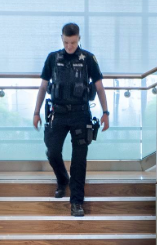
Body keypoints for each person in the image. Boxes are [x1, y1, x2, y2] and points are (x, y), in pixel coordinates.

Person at [32, 22, 110, 217]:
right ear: (62, 39)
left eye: (73, 42)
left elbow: (99, 87)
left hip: (80, 113)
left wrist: (106, 112)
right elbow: (43, 87)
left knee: (79, 160)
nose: (69, 46)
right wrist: (36, 112)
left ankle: (76, 202)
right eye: (66, 42)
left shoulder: (88, 59)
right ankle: (62, 180)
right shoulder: (52, 58)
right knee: (52, 151)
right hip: (57, 113)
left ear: (79, 39)